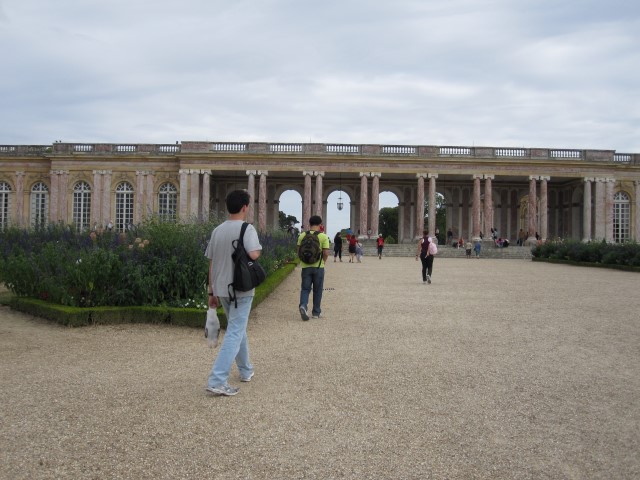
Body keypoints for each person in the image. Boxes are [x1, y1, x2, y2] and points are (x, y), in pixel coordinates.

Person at [204, 190, 262, 397]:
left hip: (221, 287)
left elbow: (211, 263)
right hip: (241, 287)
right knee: (235, 331)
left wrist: (211, 291)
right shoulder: (247, 228)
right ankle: (217, 379)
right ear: (245, 207)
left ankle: (246, 370)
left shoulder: (217, 230)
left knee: (238, 328)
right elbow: (254, 253)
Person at [298, 215, 330, 321]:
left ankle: (303, 305)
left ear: (309, 223)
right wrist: (323, 263)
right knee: (318, 290)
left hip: (305, 267)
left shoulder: (302, 235)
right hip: (318, 267)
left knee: (305, 289)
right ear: (320, 224)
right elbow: (326, 253)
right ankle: (316, 313)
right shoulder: (323, 236)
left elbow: (298, 251)